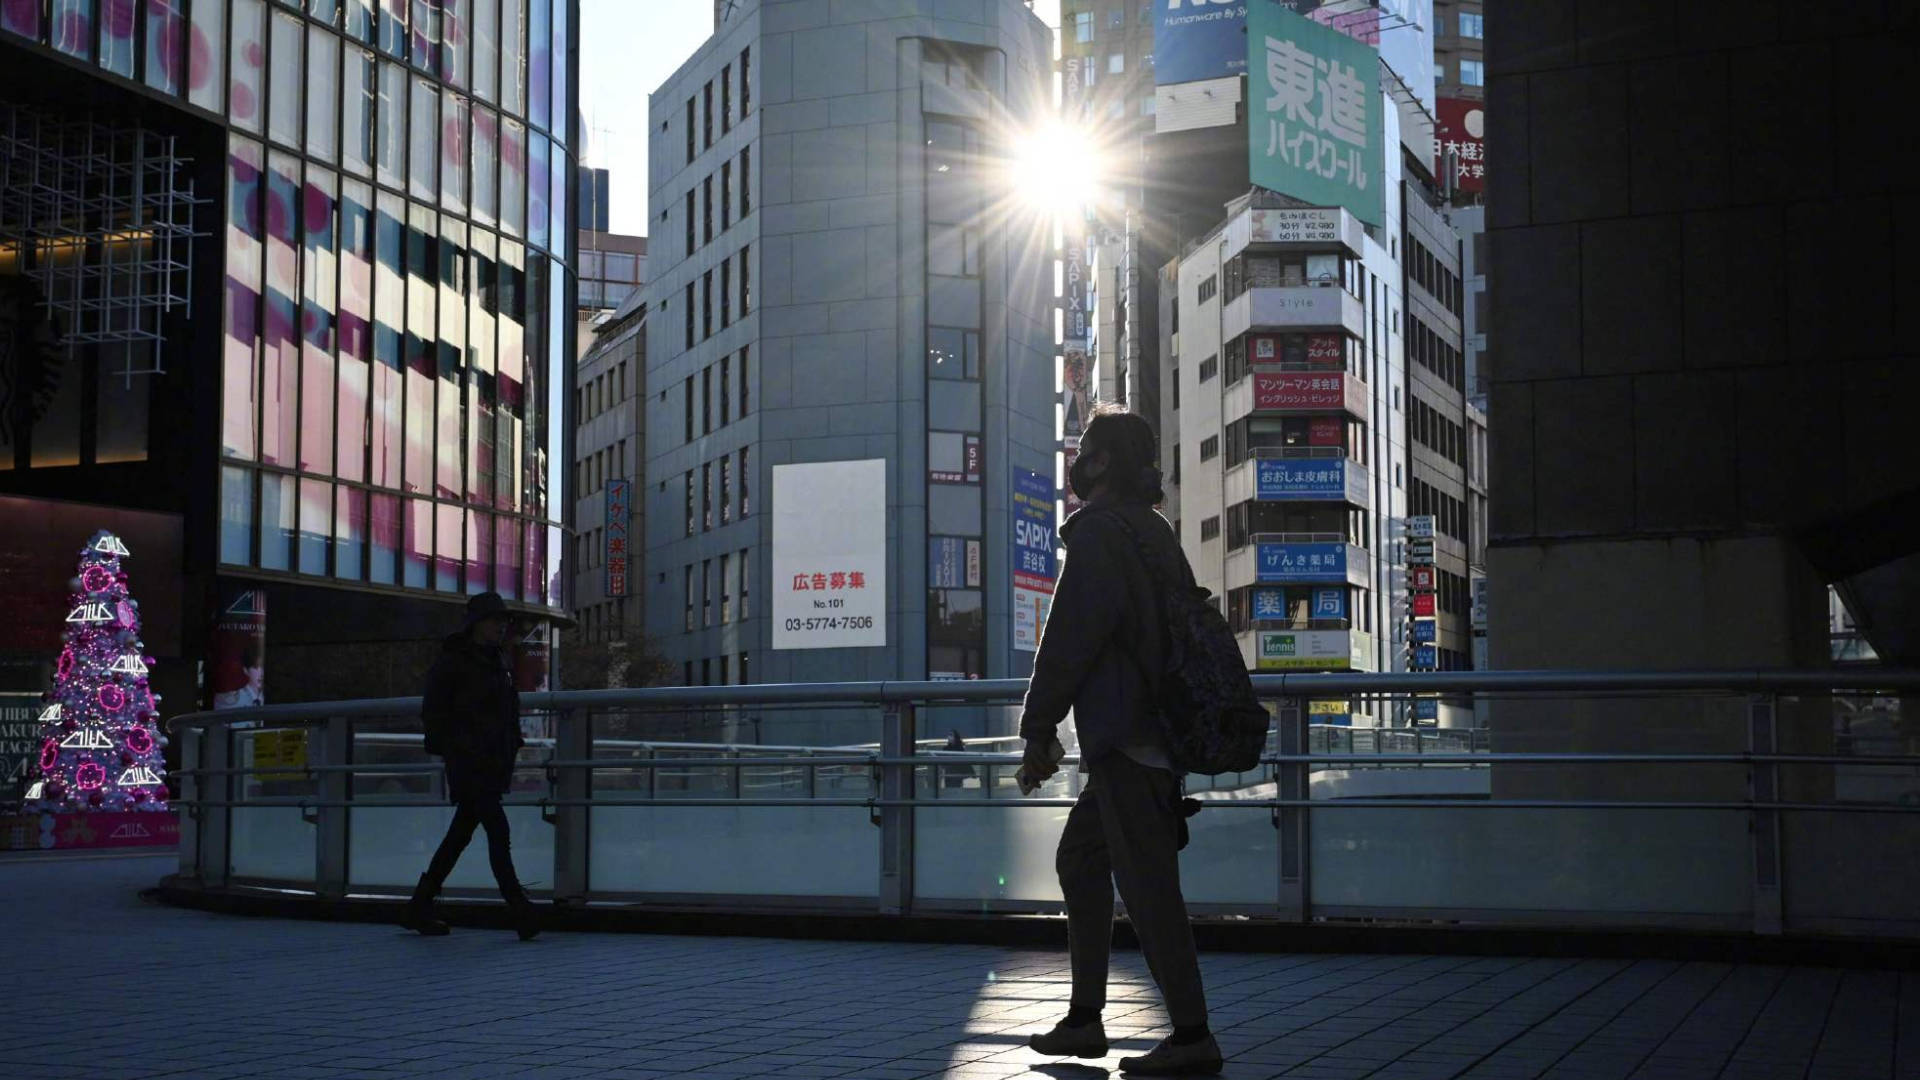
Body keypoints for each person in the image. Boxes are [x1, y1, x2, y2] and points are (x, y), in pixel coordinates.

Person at [1017, 407, 1220, 1076]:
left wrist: (1037, 727)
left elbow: (1071, 636)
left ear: (1102, 463)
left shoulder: (1103, 534)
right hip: (1153, 733)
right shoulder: (1153, 530)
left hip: (1128, 739)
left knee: (1150, 885)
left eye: (1084, 450)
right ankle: (1084, 1019)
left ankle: (1191, 1035)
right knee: (1081, 858)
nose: (1076, 459)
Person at [403, 591, 539, 940]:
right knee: (498, 831)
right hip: (470, 762)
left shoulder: (496, 660)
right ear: (477, 624)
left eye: (503, 622)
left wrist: (512, 743)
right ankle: (520, 909)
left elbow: (505, 710)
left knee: (460, 834)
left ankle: (420, 904)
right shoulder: (456, 661)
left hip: (490, 761)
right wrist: (456, 748)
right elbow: (435, 712)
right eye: (495, 621)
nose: (501, 627)